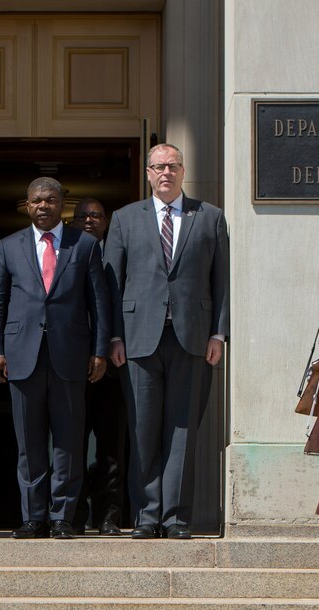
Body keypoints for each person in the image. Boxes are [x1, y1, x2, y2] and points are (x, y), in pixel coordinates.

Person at [103, 143, 228, 539]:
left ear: (183, 170)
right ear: (147, 173)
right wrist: (114, 336)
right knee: (142, 430)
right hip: (138, 341)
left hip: (192, 338)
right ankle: (146, 515)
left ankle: (175, 518)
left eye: (172, 166)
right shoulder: (124, 219)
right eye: (158, 167)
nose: (165, 173)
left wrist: (219, 333)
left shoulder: (209, 217)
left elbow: (221, 282)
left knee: (182, 430)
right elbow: (111, 283)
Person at [0, 177, 109, 539]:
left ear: (62, 205)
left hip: (70, 356)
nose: (43, 206)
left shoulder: (84, 246)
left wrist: (99, 350)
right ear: (27, 205)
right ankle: (33, 517)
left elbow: (98, 303)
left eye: (51, 200)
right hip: (21, 357)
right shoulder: (8, 247)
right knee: (29, 443)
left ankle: (62, 518)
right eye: (37, 201)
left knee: (69, 441)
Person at [72, 198, 125, 536]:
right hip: (73, 368)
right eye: (83, 216)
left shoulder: (119, 256)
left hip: (114, 370)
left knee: (111, 448)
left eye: (96, 216)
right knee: (72, 444)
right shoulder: (67, 254)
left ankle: (109, 516)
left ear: (106, 223)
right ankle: (73, 514)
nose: (89, 220)